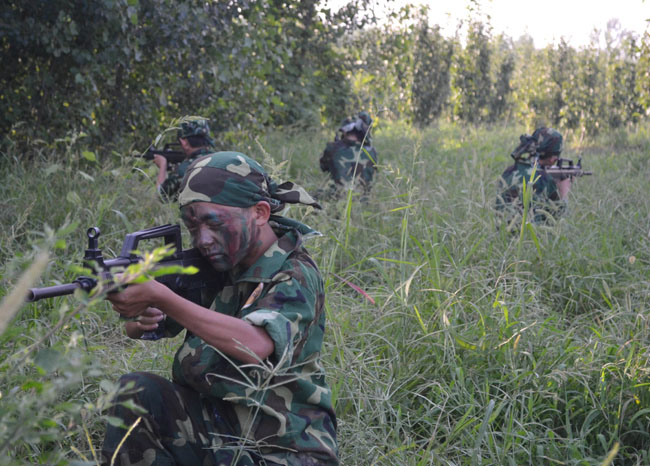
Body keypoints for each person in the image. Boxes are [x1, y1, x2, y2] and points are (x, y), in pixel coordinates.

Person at [101, 152, 339, 465]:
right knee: (137, 392)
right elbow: (140, 329)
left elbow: (255, 345)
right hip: (219, 428)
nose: (203, 239)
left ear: (260, 212)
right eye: (192, 226)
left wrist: (161, 297)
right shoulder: (219, 265)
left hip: (285, 448)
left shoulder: (294, 272)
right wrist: (139, 310)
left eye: (214, 223)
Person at [496, 127, 572, 228]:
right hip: (531, 239)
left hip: (503, 237)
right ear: (553, 159)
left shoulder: (507, 172)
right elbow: (557, 216)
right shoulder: (544, 179)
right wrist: (564, 192)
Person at [319, 111, 377, 199]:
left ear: (345, 131)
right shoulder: (372, 152)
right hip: (363, 202)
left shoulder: (332, 148)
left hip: (337, 199)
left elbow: (323, 167)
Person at [154, 118, 215, 202]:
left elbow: (160, 197)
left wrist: (162, 165)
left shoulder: (186, 169)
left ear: (184, 143)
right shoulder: (219, 159)